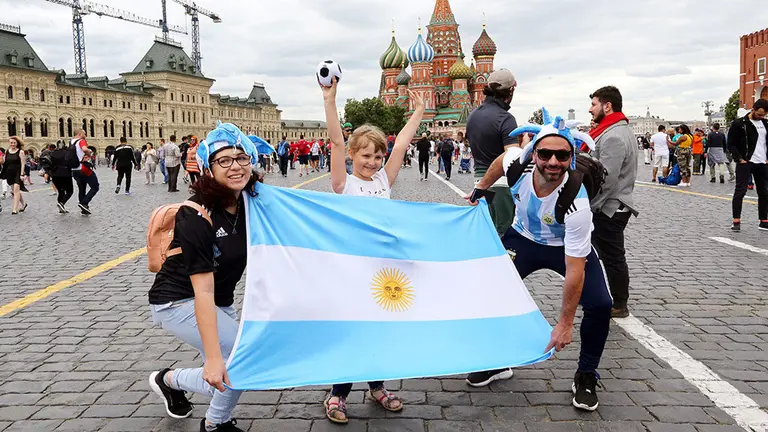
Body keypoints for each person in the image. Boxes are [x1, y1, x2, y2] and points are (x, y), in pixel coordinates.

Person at [466, 115, 612, 412]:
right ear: (534, 154)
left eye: (562, 155)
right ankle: (497, 362)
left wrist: (565, 323)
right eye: (545, 154)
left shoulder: (577, 203)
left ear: (572, 157)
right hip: (523, 238)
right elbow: (498, 162)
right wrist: (482, 188)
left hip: (563, 247)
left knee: (600, 304)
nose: (553, 162)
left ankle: (586, 375)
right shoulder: (518, 165)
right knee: (489, 290)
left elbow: (575, 270)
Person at [322, 77, 424, 423]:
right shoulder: (344, 183)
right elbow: (336, 140)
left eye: (378, 156)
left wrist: (419, 111)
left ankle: (377, 386)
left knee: (378, 331)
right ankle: (338, 394)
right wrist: (330, 100)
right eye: (366, 155)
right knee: (352, 332)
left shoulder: (384, 179)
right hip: (351, 273)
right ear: (353, 156)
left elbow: (402, 144)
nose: (374, 162)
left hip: (383, 271)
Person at [148, 123, 261, 432]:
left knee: (227, 375)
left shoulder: (252, 203)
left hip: (221, 300)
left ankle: (170, 380)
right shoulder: (196, 215)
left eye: (242, 158)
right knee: (238, 361)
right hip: (177, 301)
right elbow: (203, 292)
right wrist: (212, 358)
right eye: (224, 160)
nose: (235, 166)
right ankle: (214, 424)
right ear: (209, 167)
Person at [587, 86, 638, 318]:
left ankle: (619, 303)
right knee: (601, 253)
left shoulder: (614, 136)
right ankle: (604, 296)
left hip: (609, 207)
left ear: (607, 106)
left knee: (611, 256)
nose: (591, 109)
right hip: (612, 204)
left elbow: (607, 178)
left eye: (594, 104)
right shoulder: (615, 130)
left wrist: (591, 205)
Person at [466, 68, 520, 237]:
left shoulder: (473, 116)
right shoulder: (505, 118)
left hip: (479, 182)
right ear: (510, 91)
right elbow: (510, 156)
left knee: (488, 232)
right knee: (505, 233)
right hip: (501, 184)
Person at [728, 99, 768, 232]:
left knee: (764, 192)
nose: (761, 117)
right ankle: (736, 221)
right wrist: (739, 159)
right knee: (740, 191)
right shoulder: (739, 124)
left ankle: (763, 220)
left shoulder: (765, 123)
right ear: (753, 110)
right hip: (746, 162)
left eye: (764, 115)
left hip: (762, 162)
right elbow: (731, 144)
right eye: (759, 114)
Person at [70, 128, 99, 215]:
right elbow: (85, 149)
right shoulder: (81, 141)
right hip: (83, 167)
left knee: (81, 188)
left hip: (74, 169)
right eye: (84, 134)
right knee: (95, 186)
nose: (85, 136)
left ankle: (84, 209)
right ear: (80, 133)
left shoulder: (71, 142)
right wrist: (89, 155)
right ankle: (84, 203)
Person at [4, 136, 29, 214]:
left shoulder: (20, 152)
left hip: (18, 172)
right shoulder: (7, 151)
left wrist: (22, 174)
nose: (13, 144)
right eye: (11, 142)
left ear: (17, 143)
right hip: (9, 173)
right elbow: (5, 163)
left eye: (14, 143)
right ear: (9, 143)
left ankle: (14, 209)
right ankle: (23, 204)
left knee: (16, 190)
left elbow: (23, 164)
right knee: (15, 191)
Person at [49, 140, 75, 213]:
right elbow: (71, 162)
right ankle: (62, 203)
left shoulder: (52, 153)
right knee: (70, 191)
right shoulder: (67, 153)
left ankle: (61, 208)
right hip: (66, 174)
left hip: (55, 175)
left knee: (61, 191)